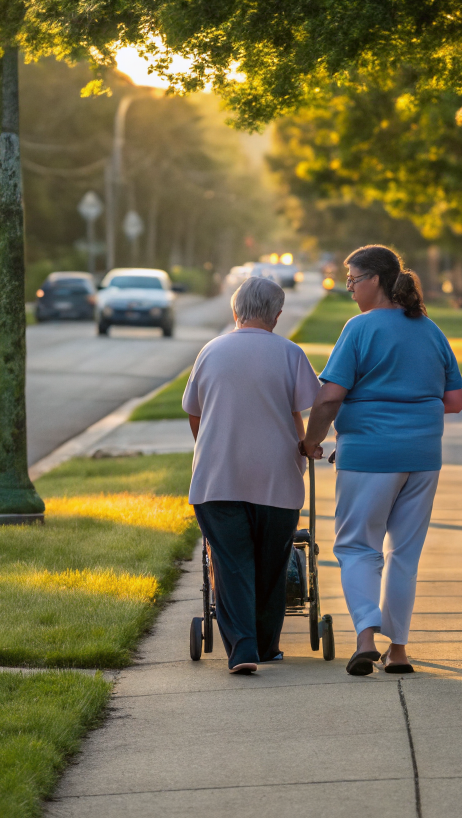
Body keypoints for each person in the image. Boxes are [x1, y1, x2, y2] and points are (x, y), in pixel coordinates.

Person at [299, 245, 462, 676]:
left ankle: (366, 639)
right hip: (423, 456)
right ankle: (399, 651)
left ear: (376, 279)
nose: (350, 287)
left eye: (354, 279)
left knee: (357, 547)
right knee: (404, 555)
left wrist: (311, 441)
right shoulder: (430, 330)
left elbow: (329, 397)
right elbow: (454, 401)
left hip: (369, 455)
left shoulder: (360, 328)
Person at [183, 276, 320, 673]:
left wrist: (213, 447)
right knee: (271, 564)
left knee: (231, 564)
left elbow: (195, 412)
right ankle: (266, 645)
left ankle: (242, 648)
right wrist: (307, 444)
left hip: (217, 479)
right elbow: (306, 409)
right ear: (277, 315)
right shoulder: (290, 353)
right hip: (277, 480)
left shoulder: (211, 351)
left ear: (235, 310)